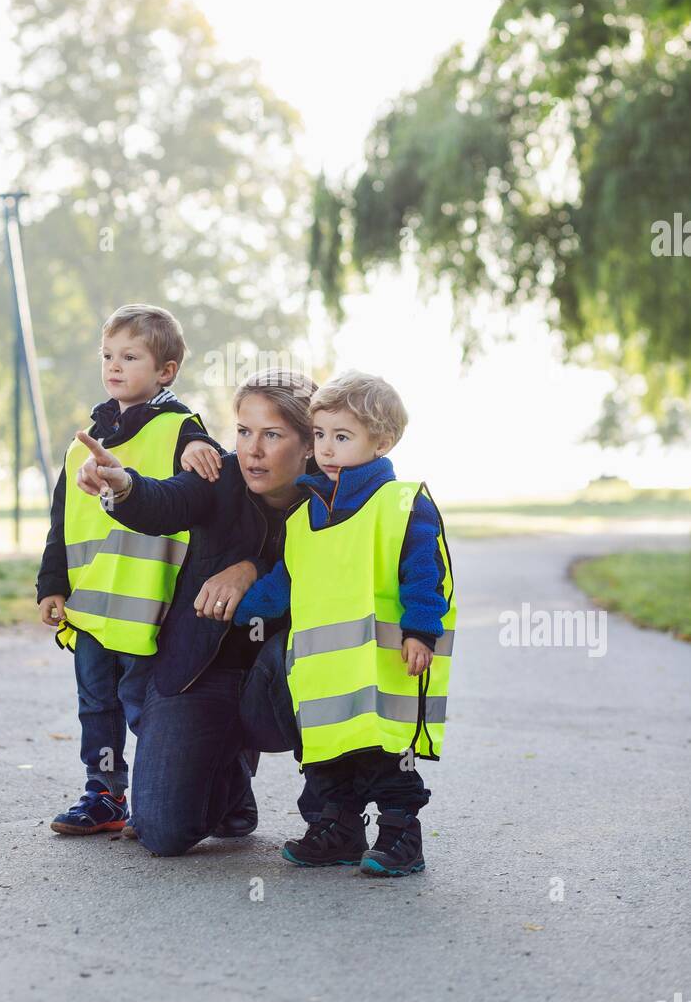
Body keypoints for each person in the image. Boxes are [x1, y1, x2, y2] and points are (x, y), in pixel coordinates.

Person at [73, 368, 319, 854]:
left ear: (309, 443)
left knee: (291, 675)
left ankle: (335, 811)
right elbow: (165, 502)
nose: (252, 449)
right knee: (163, 832)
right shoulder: (219, 476)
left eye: (272, 435)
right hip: (200, 670)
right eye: (244, 432)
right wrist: (121, 486)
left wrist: (253, 567)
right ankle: (228, 788)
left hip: (283, 674)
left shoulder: (332, 498)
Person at [231, 370, 456, 877]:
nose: (327, 449)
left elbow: (424, 574)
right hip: (323, 676)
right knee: (325, 758)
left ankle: (401, 838)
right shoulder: (302, 517)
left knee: (386, 759)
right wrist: (245, 610)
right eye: (320, 435)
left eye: (342, 436)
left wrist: (421, 631)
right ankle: (337, 831)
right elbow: (285, 582)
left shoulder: (401, 504)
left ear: (382, 441)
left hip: (384, 668)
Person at [36, 303, 224, 835]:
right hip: (91, 608)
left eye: (130, 356)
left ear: (165, 371)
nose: (114, 366)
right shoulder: (84, 444)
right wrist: (52, 585)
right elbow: (62, 523)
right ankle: (103, 795)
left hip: (151, 609)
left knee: (144, 710)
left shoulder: (179, 429)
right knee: (96, 708)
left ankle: (155, 796)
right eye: (108, 355)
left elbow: (202, 473)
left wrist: (201, 449)